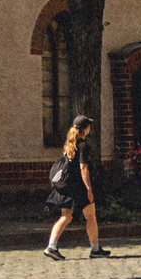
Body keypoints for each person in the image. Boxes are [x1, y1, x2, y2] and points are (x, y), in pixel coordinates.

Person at [42, 112, 109, 262]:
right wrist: (89, 189)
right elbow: (83, 168)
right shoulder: (83, 146)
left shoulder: (70, 144)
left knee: (65, 216)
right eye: (89, 125)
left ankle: (52, 246)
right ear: (85, 129)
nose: (90, 128)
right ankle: (95, 249)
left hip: (67, 187)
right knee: (91, 216)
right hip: (78, 187)